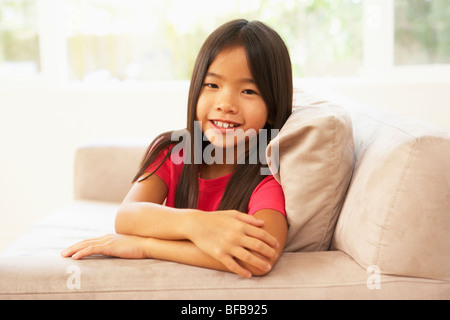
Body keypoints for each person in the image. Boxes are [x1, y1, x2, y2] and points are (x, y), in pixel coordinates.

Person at [62, 19, 293, 278]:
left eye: (249, 91)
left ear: (272, 108)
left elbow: (259, 257)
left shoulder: (266, 176)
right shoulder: (174, 151)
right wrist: (197, 225)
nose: (225, 103)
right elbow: (127, 216)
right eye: (212, 85)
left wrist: (145, 245)